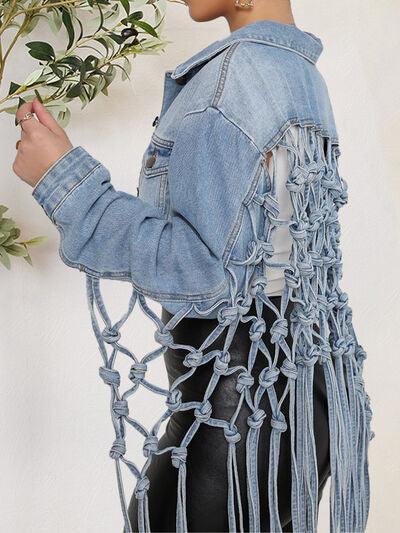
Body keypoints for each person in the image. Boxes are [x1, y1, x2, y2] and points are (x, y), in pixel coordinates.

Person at [12, 1, 374, 532]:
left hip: (232, 412)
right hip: (304, 394)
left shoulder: (232, 77)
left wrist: (64, 180)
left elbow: (207, 272)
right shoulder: (301, 75)